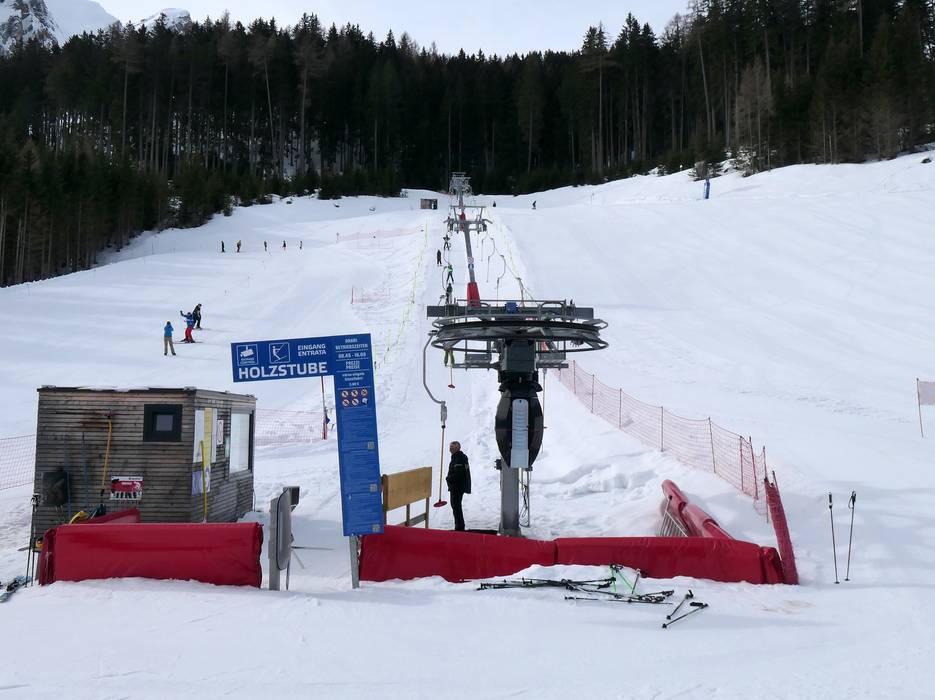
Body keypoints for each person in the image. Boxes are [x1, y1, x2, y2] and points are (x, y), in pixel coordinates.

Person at [446, 441, 471, 531]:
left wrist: (449, 478)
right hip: (458, 486)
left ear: (457, 448)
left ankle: (459, 527)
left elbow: (459, 474)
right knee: (456, 506)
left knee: (456, 506)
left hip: (457, 487)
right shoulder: (458, 457)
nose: (450, 449)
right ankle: (459, 526)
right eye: (450, 447)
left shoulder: (459, 458)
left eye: (452, 447)